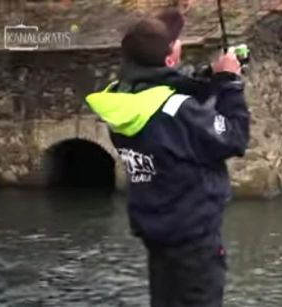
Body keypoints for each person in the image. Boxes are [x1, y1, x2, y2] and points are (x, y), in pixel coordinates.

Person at [85, 8, 250, 307]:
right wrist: (231, 85)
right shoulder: (179, 111)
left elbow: (162, 93)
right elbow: (235, 138)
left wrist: (207, 78)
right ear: (168, 59)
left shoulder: (122, 100)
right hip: (195, 241)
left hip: (158, 234)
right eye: (176, 46)